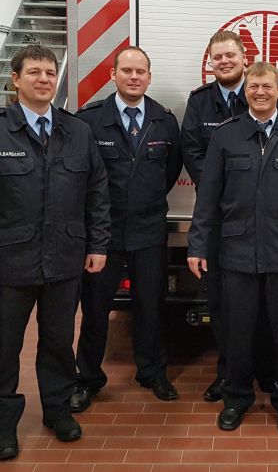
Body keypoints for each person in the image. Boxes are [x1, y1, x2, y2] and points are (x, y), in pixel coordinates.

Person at [0, 45, 110, 460]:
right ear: (16, 80)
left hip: (65, 260)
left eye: (49, 72)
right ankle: (3, 424)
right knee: (4, 348)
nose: (44, 79)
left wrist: (97, 244)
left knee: (59, 342)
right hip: (9, 265)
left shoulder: (77, 132)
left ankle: (58, 411)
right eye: (35, 72)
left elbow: (97, 193)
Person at [187, 61, 278, 435]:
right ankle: (236, 398)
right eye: (253, 87)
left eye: (267, 86)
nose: (260, 92)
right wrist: (197, 245)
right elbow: (208, 198)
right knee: (237, 330)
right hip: (235, 252)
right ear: (246, 91)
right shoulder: (226, 136)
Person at [70, 46, 182, 412]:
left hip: (149, 231)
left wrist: (144, 202)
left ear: (150, 77)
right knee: (96, 310)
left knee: (151, 306)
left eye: (141, 71)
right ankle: (87, 378)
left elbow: (169, 171)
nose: (134, 77)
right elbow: (81, 176)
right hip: (102, 234)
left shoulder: (164, 121)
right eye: (127, 71)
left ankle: (152, 372)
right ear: (113, 75)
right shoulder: (89, 120)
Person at [181, 30, 278, 401]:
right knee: (224, 304)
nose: (224, 62)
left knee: (264, 302)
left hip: (259, 217)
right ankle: (228, 373)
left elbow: (273, 151)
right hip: (220, 217)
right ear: (210, 61)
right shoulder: (200, 102)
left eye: (230, 56)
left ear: (244, 58)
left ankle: (266, 371)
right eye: (217, 56)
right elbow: (191, 147)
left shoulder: (261, 93)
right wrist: (220, 183)